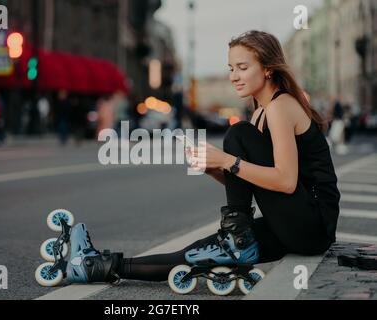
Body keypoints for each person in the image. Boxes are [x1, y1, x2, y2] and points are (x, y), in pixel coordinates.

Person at [46, 31, 341, 285]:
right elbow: (252, 181)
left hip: (313, 223)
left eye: (242, 67)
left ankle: (235, 237)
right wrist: (212, 168)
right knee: (196, 254)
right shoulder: (262, 111)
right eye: (230, 68)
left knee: (238, 135)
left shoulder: (280, 107)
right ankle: (97, 266)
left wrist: (227, 161)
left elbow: (286, 182)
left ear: (267, 69)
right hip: (299, 223)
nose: (233, 76)